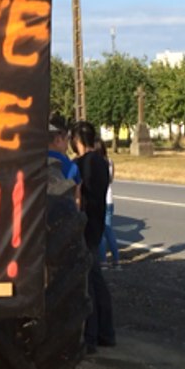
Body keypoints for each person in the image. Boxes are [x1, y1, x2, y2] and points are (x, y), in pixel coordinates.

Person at [71, 120, 115, 353]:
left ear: (76, 140)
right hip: (97, 223)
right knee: (96, 278)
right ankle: (106, 333)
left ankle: (91, 336)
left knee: (87, 281)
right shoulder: (103, 162)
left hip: (83, 224)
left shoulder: (78, 164)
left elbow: (77, 195)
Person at [93, 140, 120, 270]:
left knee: (100, 232)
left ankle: (103, 260)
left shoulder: (95, 163)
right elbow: (111, 180)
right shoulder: (110, 162)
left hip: (99, 199)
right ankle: (116, 260)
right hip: (110, 198)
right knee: (109, 230)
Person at [47, 114, 79, 200]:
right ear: (58, 140)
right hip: (62, 211)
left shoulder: (32, 161)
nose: (67, 147)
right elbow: (77, 199)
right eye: (66, 140)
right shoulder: (71, 167)